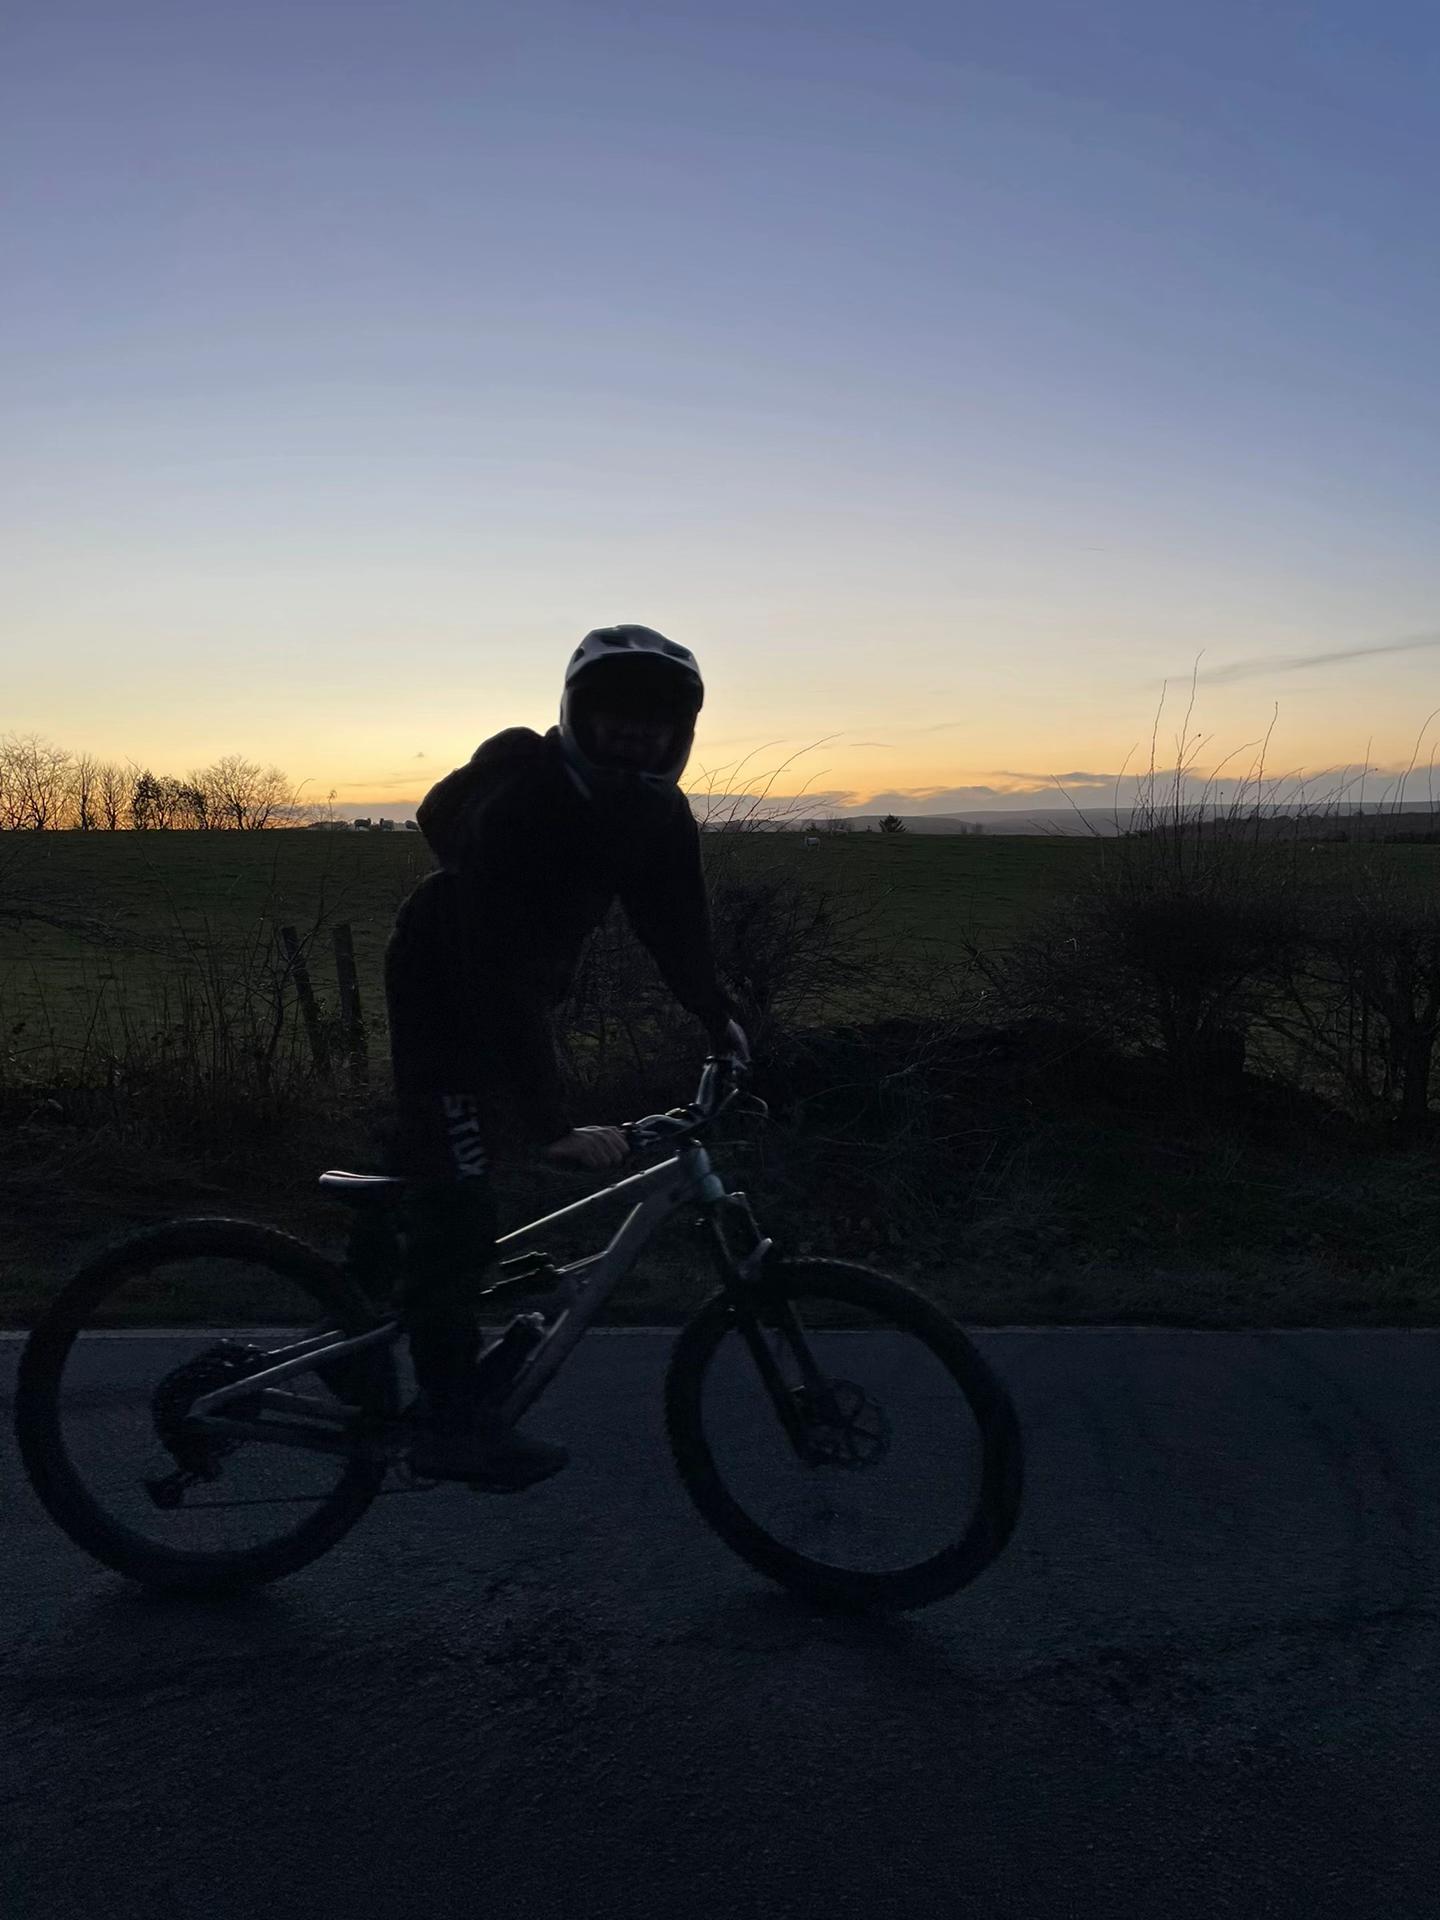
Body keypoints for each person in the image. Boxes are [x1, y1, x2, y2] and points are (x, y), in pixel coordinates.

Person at [384, 625, 748, 1488]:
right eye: (618, 713)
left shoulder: (654, 814)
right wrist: (551, 1122)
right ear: (579, 715)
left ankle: (371, 1297)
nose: (637, 733)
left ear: (681, 734)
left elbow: (675, 925)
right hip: (447, 989)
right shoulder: (528, 800)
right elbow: (495, 972)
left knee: (457, 1187)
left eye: (657, 721)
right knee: (460, 1199)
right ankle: (448, 1422)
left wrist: (721, 1020)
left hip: (513, 993)